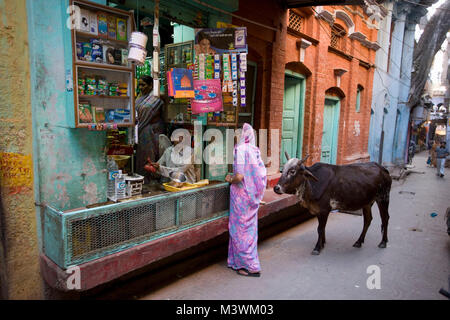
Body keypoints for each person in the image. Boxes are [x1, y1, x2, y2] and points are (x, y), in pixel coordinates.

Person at [225, 123, 267, 277]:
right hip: (250, 197)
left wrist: (230, 178)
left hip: (241, 198)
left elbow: (239, 176)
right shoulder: (254, 150)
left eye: (238, 132)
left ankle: (250, 266)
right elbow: (260, 174)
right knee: (249, 230)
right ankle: (238, 262)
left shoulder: (241, 149)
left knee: (240, 231)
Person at [135, 75, 167, 182]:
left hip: (152, 131)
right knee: (141, 156)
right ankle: (141, 179)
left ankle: (150, 181)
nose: (140, 87)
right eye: (139, 85)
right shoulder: (140, 97)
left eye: (143, 85)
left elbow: (146, 113)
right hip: (141, 130)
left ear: (151, 85)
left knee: (150, 156)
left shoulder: (155, 97)